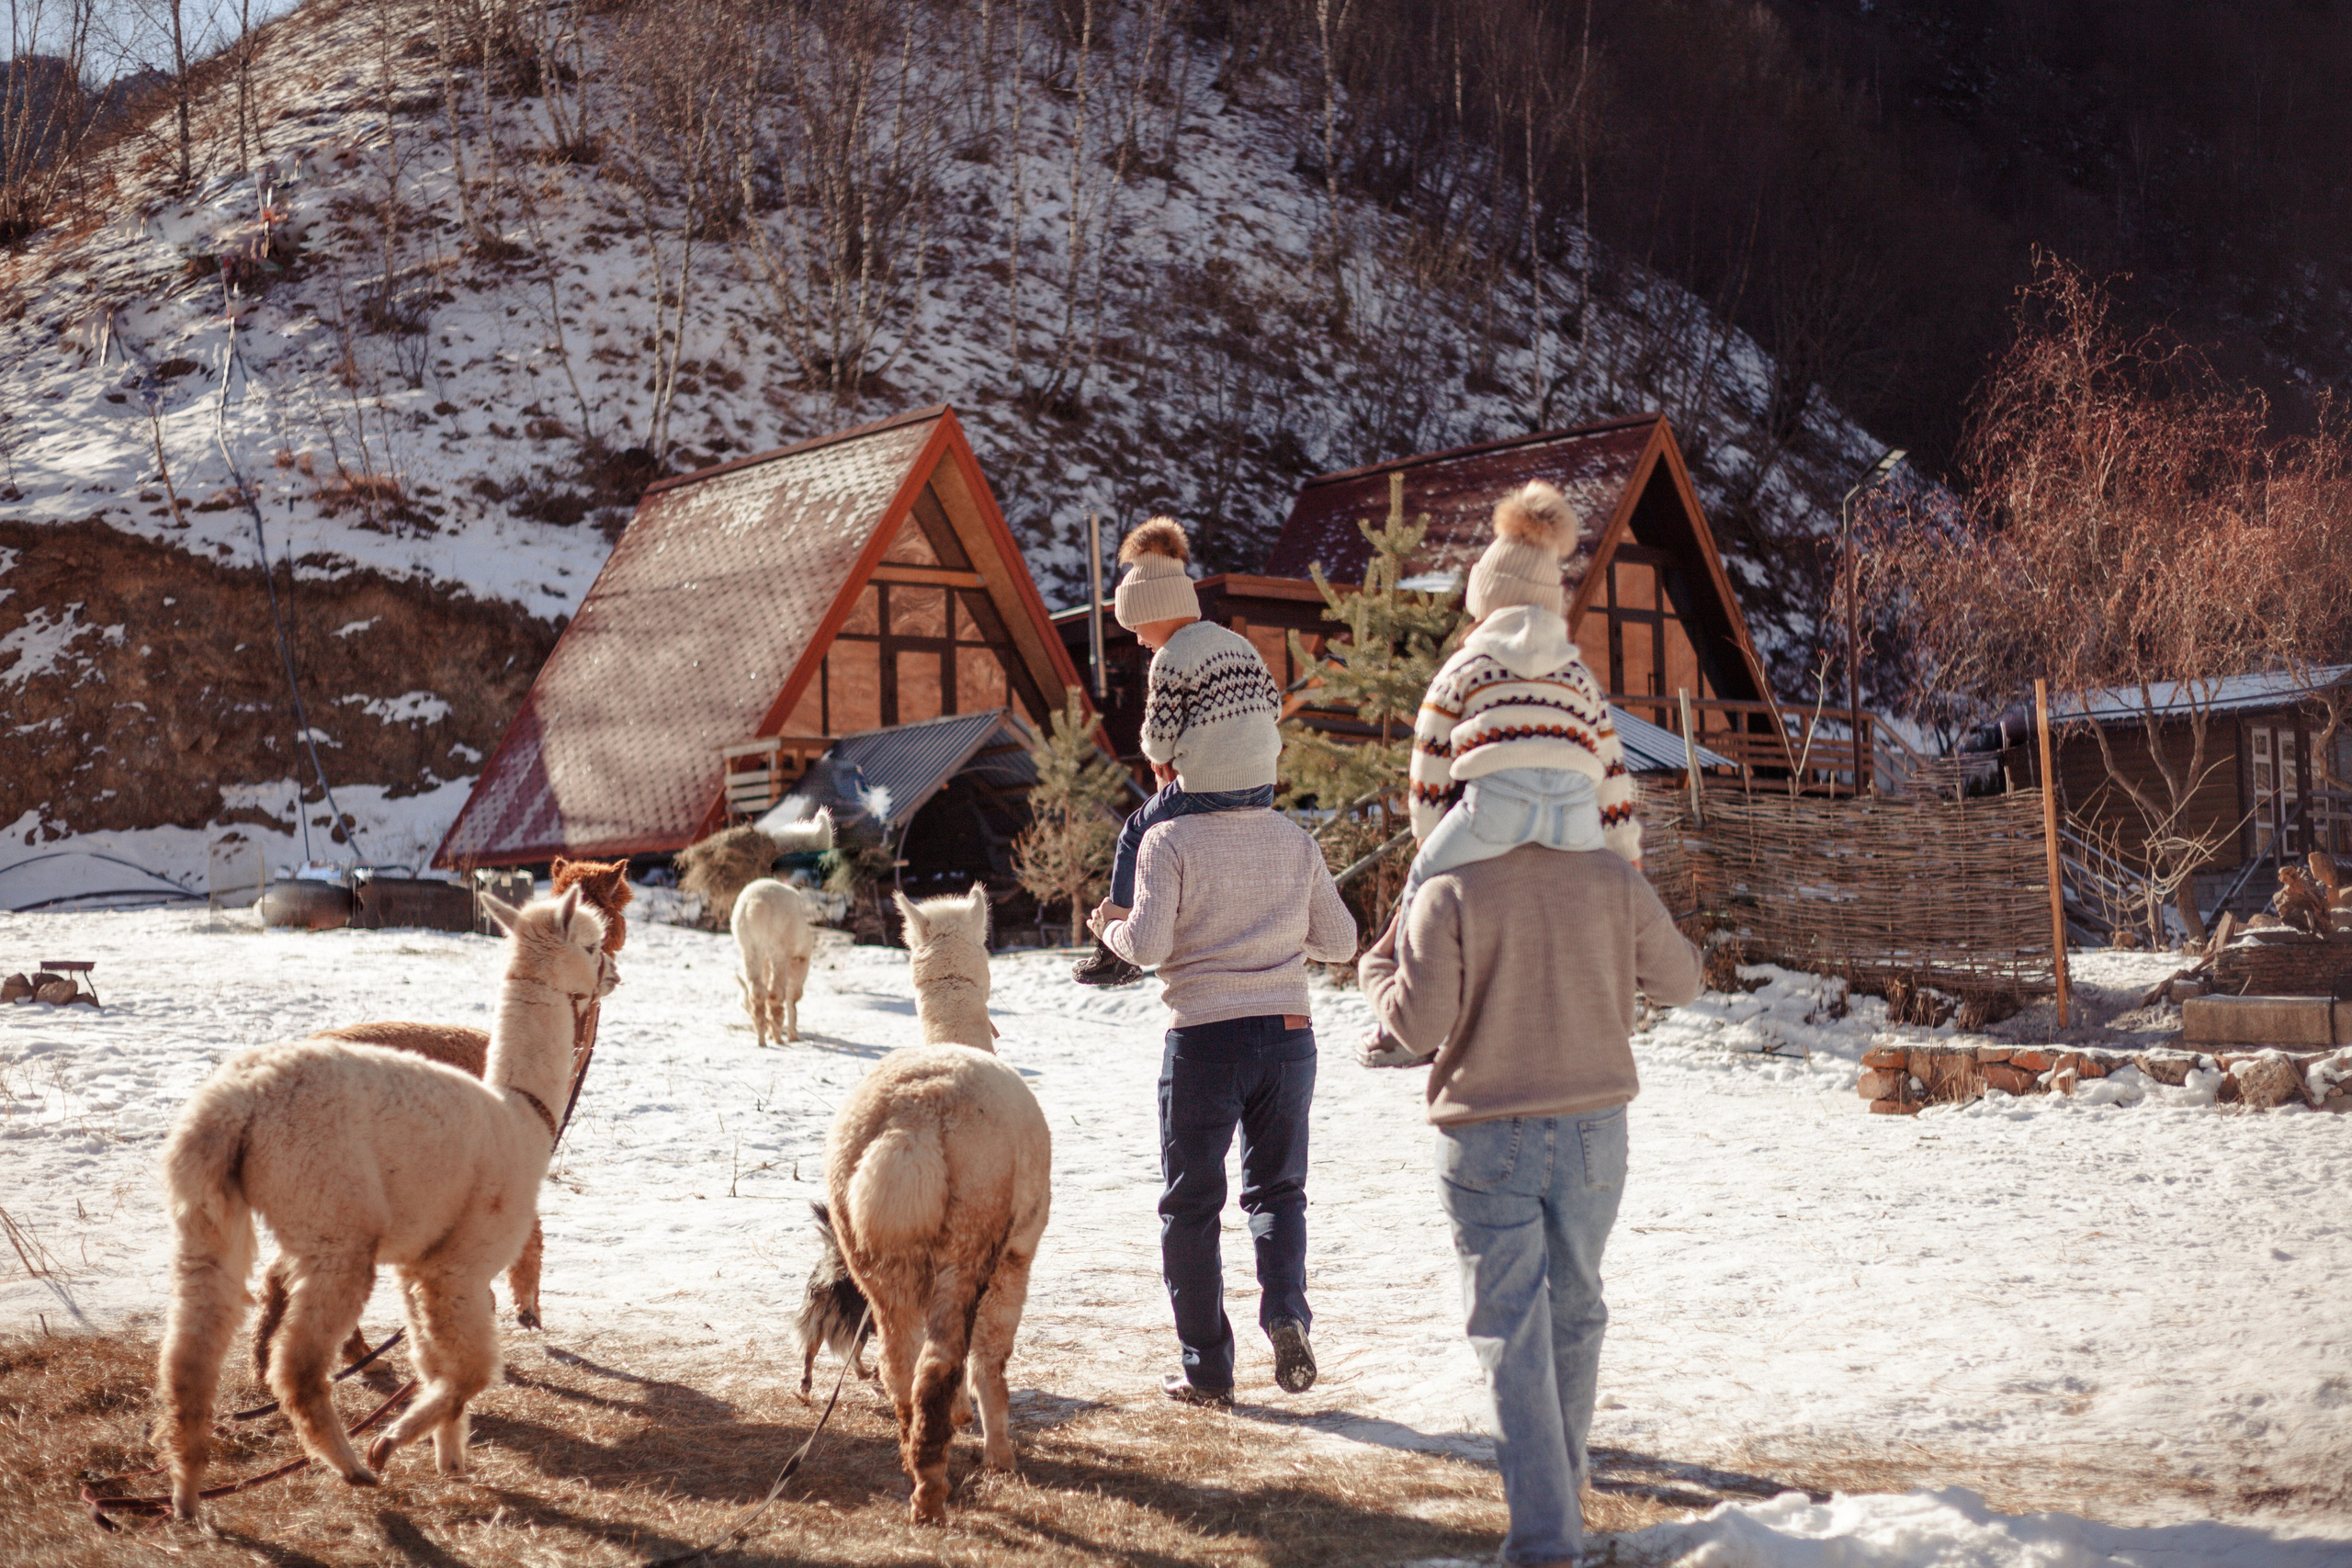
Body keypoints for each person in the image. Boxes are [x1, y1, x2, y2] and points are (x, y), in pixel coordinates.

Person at [1356, 808, 1699, 1568]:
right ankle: (1560, 1492)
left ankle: (1546, 1541)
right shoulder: (1612, 875)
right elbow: (1682, 981)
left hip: (1486, 1130)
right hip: (1595, 1128)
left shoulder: (1450, 886)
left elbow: (1417, 1025)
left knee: (1511, 1330)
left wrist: (1374, 970)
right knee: (1576, 1305)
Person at [1091, 785, 1357, 1406]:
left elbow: (1149, 945)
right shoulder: (1295, 839)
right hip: (1290, 1035)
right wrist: (1281, 938)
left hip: (1204, 1040)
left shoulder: (1168, 839)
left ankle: (1207, 1368)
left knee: (1191, 1205)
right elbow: (1341, 941)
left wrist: (1108, 926)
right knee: (1279, 1191)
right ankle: (1286, 1312)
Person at [1363, 479, 1642, 1067]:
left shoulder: (1466, 667)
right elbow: (1612, 775)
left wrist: (1430, 840)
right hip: (1572, 823)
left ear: (1485, 600)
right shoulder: (1577, 678)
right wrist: (1623, 855)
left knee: (1423, 893)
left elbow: (1430, 760)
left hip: (1493, 811)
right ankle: (1615, 1007)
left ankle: (1411, 1029)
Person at [1071, 516, 1286, 989]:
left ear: (1155, 611)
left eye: (1136, 625)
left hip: (1207, 785)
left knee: (1135, 833)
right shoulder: (1237, 645)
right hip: (1262, 785)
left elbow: (1159, 738)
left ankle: (1116, 948)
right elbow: (1273, 705)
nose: (1137, 638)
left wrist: (1160, 754)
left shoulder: (1172, 657)